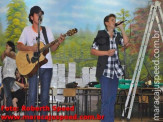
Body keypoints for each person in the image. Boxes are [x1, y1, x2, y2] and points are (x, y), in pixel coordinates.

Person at [17, 6, 65, 122]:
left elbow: (52, 48)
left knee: (44, 98)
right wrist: (31, 48)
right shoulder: (26, 30)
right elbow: (19, 46)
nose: (40, 16)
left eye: (41, 14)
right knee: (32, 96)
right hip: (32, 67)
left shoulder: (46, 30)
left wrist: (58, 42)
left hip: (47, 67)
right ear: (31, 17)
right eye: (37, 14)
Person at [90, 14, 129, 122]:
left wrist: (122, 28)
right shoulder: (101, 34)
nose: (114, 22)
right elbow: (92, 51)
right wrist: (106, 53)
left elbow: (126, 43)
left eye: (115, 20)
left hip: (115, 72)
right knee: (106, 100)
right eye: (112, 20)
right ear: (107, 23)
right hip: (105, 72)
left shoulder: (117, 35)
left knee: (112, 100)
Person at [1, 41, 17, 118]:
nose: (6, 46)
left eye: (7, 45)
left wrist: (8, 49)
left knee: (8, 97)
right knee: (7, 96)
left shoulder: (13, 54)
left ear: (10, 46)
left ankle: (9, 114)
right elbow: (2, 57)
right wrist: (5, 51)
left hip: (10, 77)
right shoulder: (7, 54)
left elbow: (7, 53)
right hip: (5, 77)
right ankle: (8, 113)